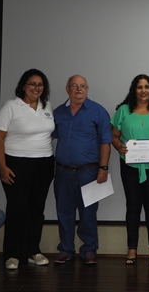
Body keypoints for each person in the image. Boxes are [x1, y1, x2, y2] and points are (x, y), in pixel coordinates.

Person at [0, 69, 55, 270]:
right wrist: (2, 166)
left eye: (40, 84)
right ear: (23, 86)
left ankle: (32, 251)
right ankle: (12, 254)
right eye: (32, 84)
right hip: (17, 164)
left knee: (36, 210)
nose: (36, 88)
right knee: (18, 209)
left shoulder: (47, 106)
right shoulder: (11, 106)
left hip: (44, 164)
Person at [111, 74, 149, 265]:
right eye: (140, 87)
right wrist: (118, 146)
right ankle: (132, 249)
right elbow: (114, 136)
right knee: (132, 206)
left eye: (147, 87)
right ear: (134, 90)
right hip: (129, 165)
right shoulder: (123, 111)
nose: (144, 90)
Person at [52, 75, 112, 265]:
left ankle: (89, 249)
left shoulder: (98, 111)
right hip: (63, 171)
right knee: (64, 212)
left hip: (90, 171)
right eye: (74, 86)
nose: (79, 90)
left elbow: (106, 142)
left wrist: (103, 168)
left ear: (87, 89)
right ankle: (66, 249)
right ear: (67, 88)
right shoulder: (58, 113)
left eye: (83, 86)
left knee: (88, 213)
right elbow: (48, 137)